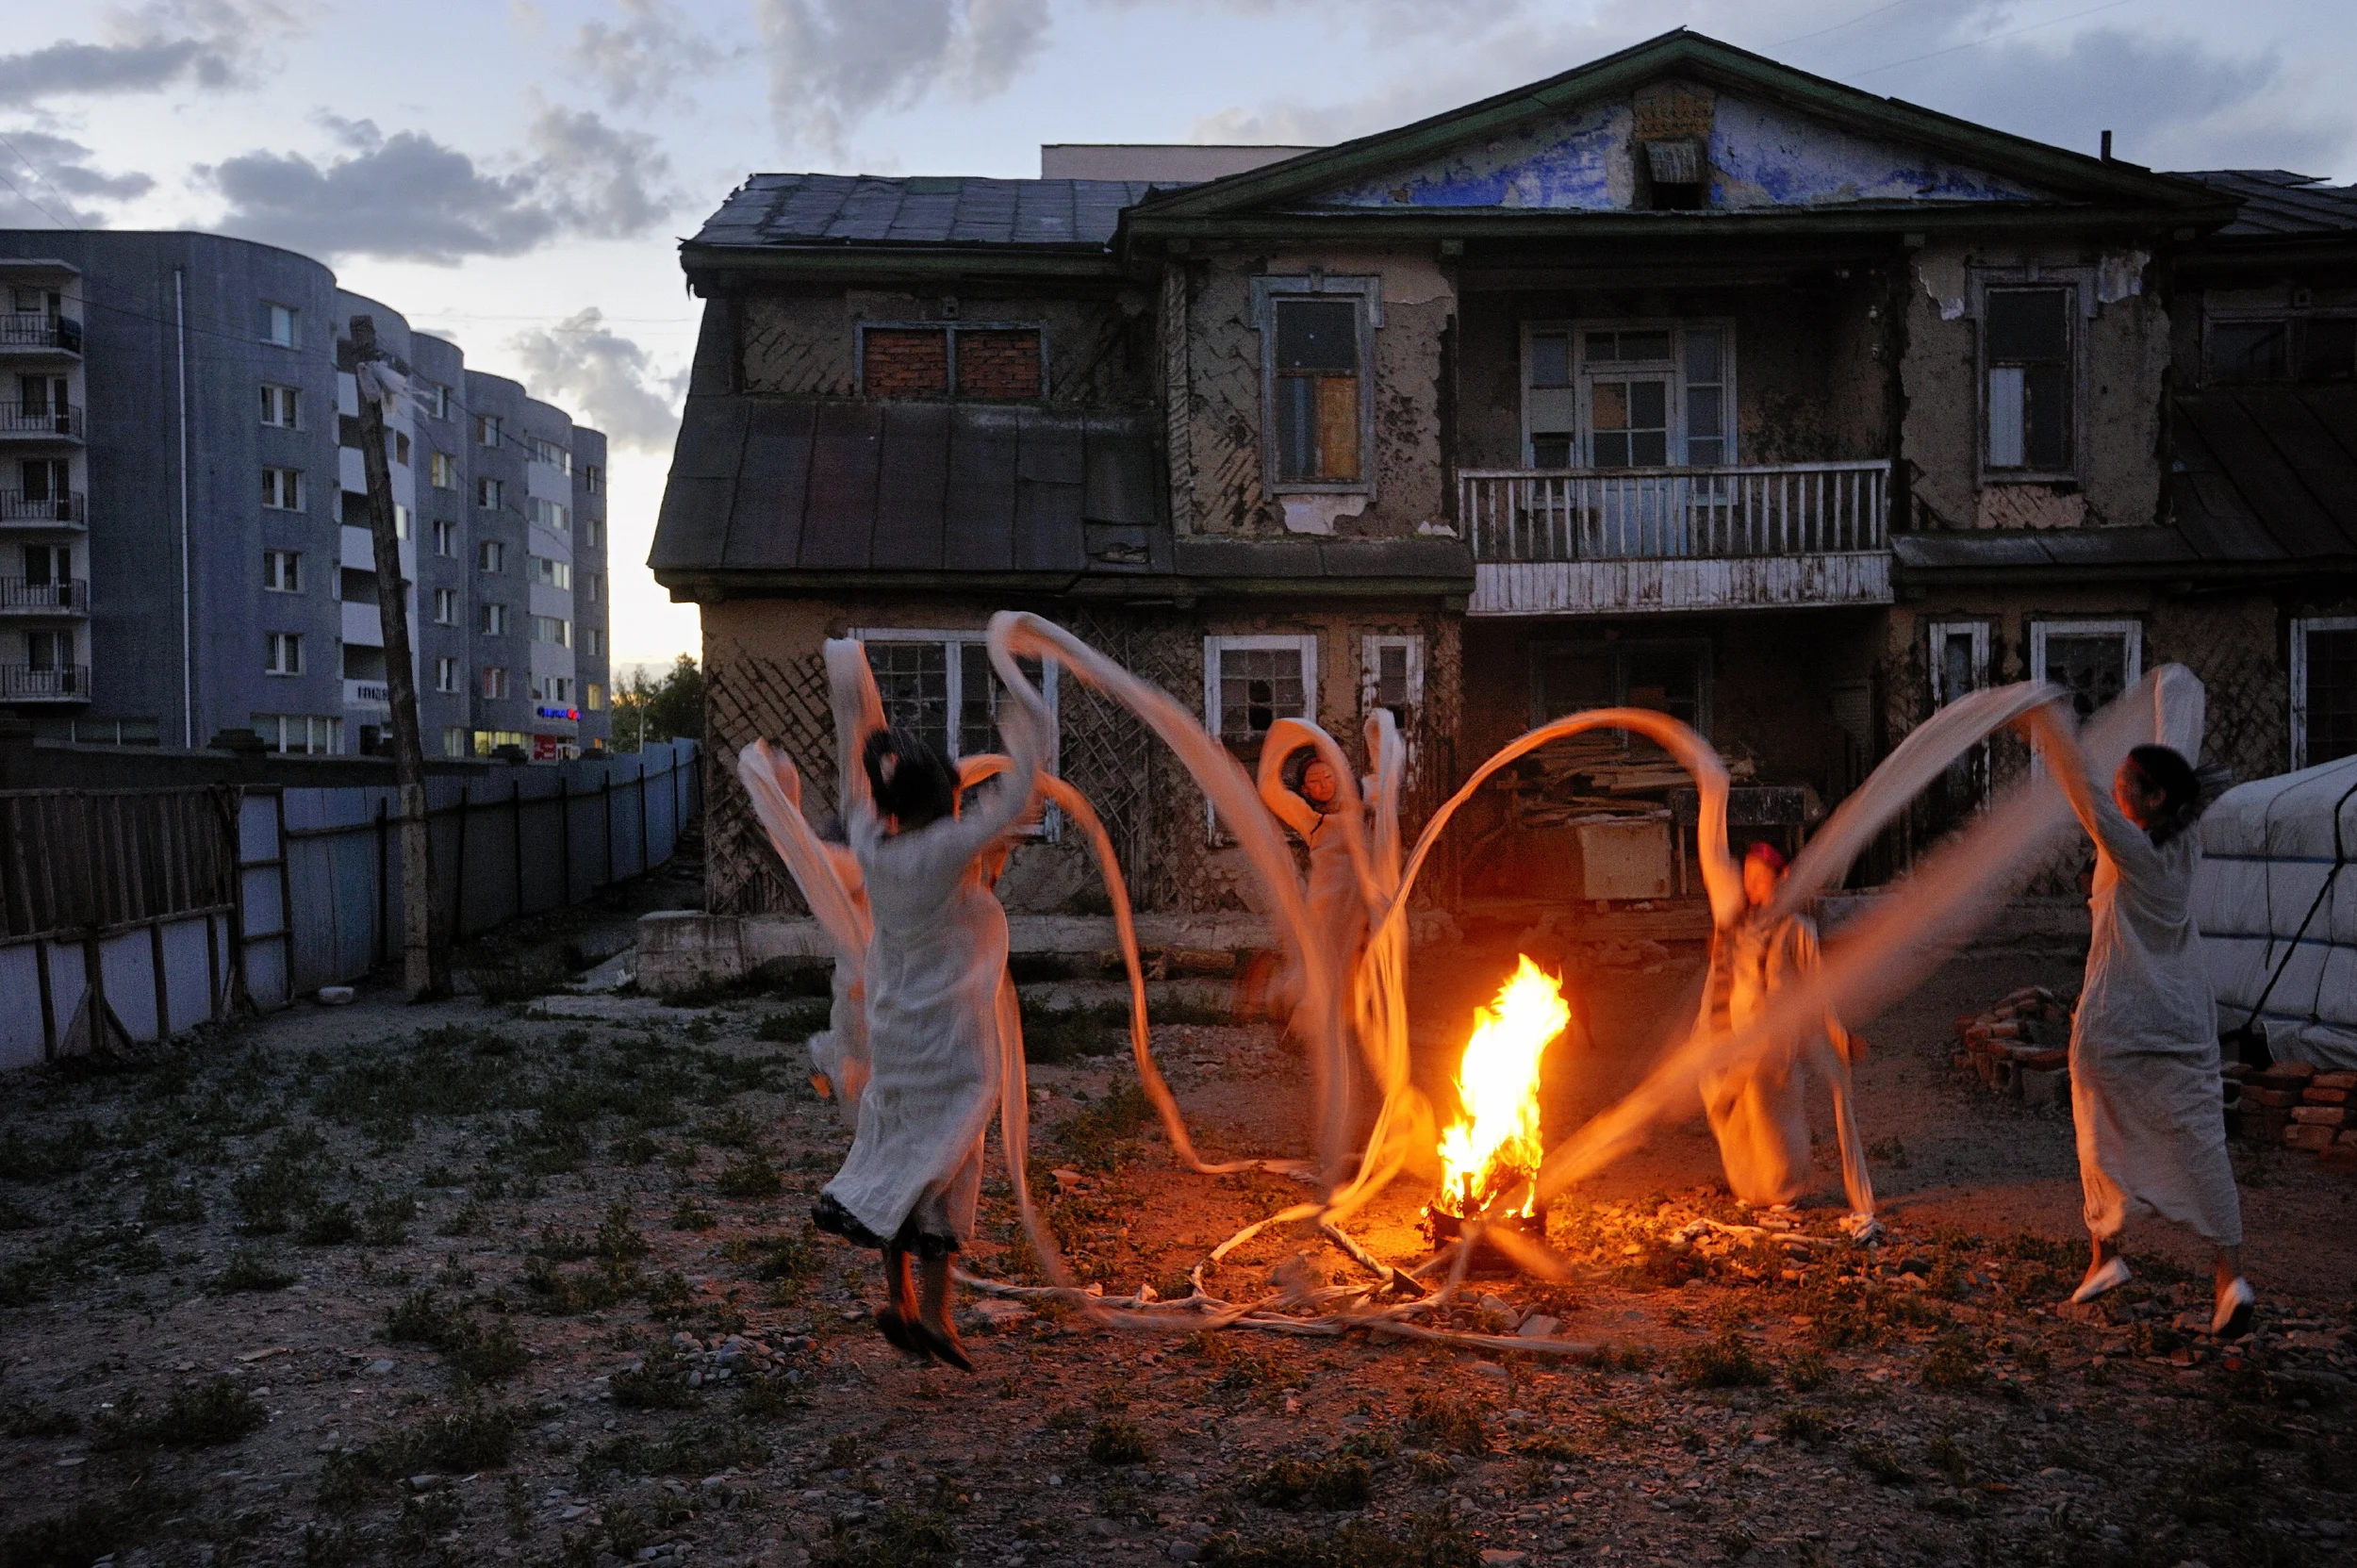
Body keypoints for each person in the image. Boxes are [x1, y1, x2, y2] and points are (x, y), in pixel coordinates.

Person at [810, 659, 1042, 1371]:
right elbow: (1011, 806)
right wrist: (1024, 732)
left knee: (900, 1151)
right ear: (943, 798)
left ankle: (902, 1298)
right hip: (951, 1040)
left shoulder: (874, 844)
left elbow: (857, 785)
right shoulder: (944, 850)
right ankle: (937, 1314)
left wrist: (859, 708)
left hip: (896, 1031)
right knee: (947, 1164)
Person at [2030, 719, 2251, 1337]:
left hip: (2122, 1016)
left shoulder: (2139, 852)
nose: (2118, 786)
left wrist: (2046, 725)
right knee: (2202, 1139)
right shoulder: (2183, 839)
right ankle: (2229, 1277)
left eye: (2128, 781)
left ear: (2151, 800)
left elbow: (2090, 802)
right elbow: (2150, 782)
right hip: (2183, 1022)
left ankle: (2107, 1251)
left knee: (2094, 1113)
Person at [1696, 842, 1877, 1233]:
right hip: (1739, 1034)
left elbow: (1816, 990)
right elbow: (1726, 978)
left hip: (1777, 1039)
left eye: (1760, 881)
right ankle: (1752, 1188)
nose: (1752, 889)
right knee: (1739, 1110)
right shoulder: (1741, 927)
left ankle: (1783, 1190)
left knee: (1774, 1111)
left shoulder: (1799, 930)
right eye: (1748, 881)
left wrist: (1837, 1035)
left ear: (1783, 879)